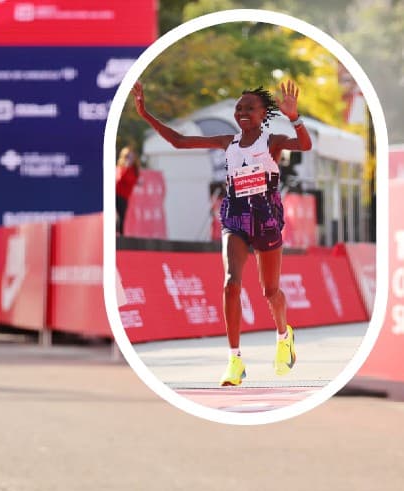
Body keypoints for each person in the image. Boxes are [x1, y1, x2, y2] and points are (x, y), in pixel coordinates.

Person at [133, 80, 312, 386]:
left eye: (249, 108)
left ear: (263, 113)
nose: (242, 112)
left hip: (266, 218)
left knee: (271, 291)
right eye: (239, 107)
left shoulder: (273, 142)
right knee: (231, 283)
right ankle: (234, 361)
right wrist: (145, 113)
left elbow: (305, 146)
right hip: (236, 217)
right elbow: (178, 141)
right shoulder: (227, 143)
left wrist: (295, 118)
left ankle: (284, 336)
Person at [115, 146, 140, 236]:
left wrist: (127, 168)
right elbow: (117, 179)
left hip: (123, 196)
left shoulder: (133, 170)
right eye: (127, 156)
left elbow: (128, 180)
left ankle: (121, 235)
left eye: (131, 156)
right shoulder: (119, 167)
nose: (129, 159)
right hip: (115, 194)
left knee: (121, 216)